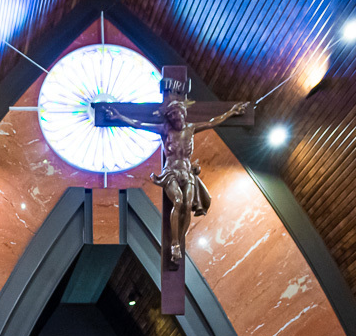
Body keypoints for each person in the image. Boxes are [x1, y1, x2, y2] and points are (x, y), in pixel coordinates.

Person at [100, 96, 250, 268]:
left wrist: (232, 112)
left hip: (187, 173)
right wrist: (119, 116)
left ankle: (178, 241)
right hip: (170, 172)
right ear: (170, 118)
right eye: (173, 117)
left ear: (183, 114)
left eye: (179, 116)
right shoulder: (165, 129)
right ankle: (175, 244)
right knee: (178, 201)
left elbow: (212, 122)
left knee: (187, 206)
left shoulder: (191, 128)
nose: (176, 119)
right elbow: (139, 124)